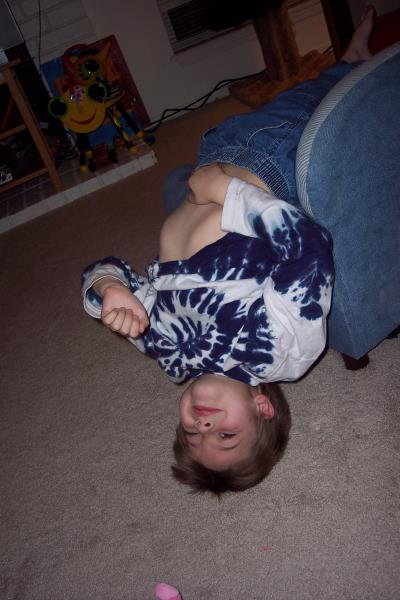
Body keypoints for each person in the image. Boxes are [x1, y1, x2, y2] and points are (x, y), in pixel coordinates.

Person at [81, 7, 376, 494]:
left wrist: (110, 290)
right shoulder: (281, 354)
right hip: (262, 166)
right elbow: (307, 253)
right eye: (225, 436)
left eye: (193, 434)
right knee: (316, 98)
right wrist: (225, 191)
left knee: (297, 96)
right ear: (263, 407)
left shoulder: (170, 354)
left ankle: (347, 62)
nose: (203, 425)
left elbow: (105, 271)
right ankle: (353, 59)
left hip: (212, 158)